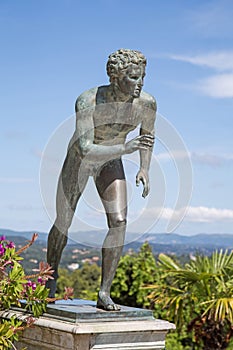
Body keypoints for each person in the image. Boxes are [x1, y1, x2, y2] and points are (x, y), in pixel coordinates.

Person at [46, 49, 157, 311]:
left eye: (143, 77)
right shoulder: (88, 101)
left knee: (119, 221)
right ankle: (49, 280)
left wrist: (144, 167)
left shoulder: (147, 103)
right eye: (133, 77)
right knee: (64, 222)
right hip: (80, 161)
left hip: (111, 160)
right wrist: (126, 150)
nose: (139, 83)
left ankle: (104, 291)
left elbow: (147, 137)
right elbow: (85, 147)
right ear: (115, 77)